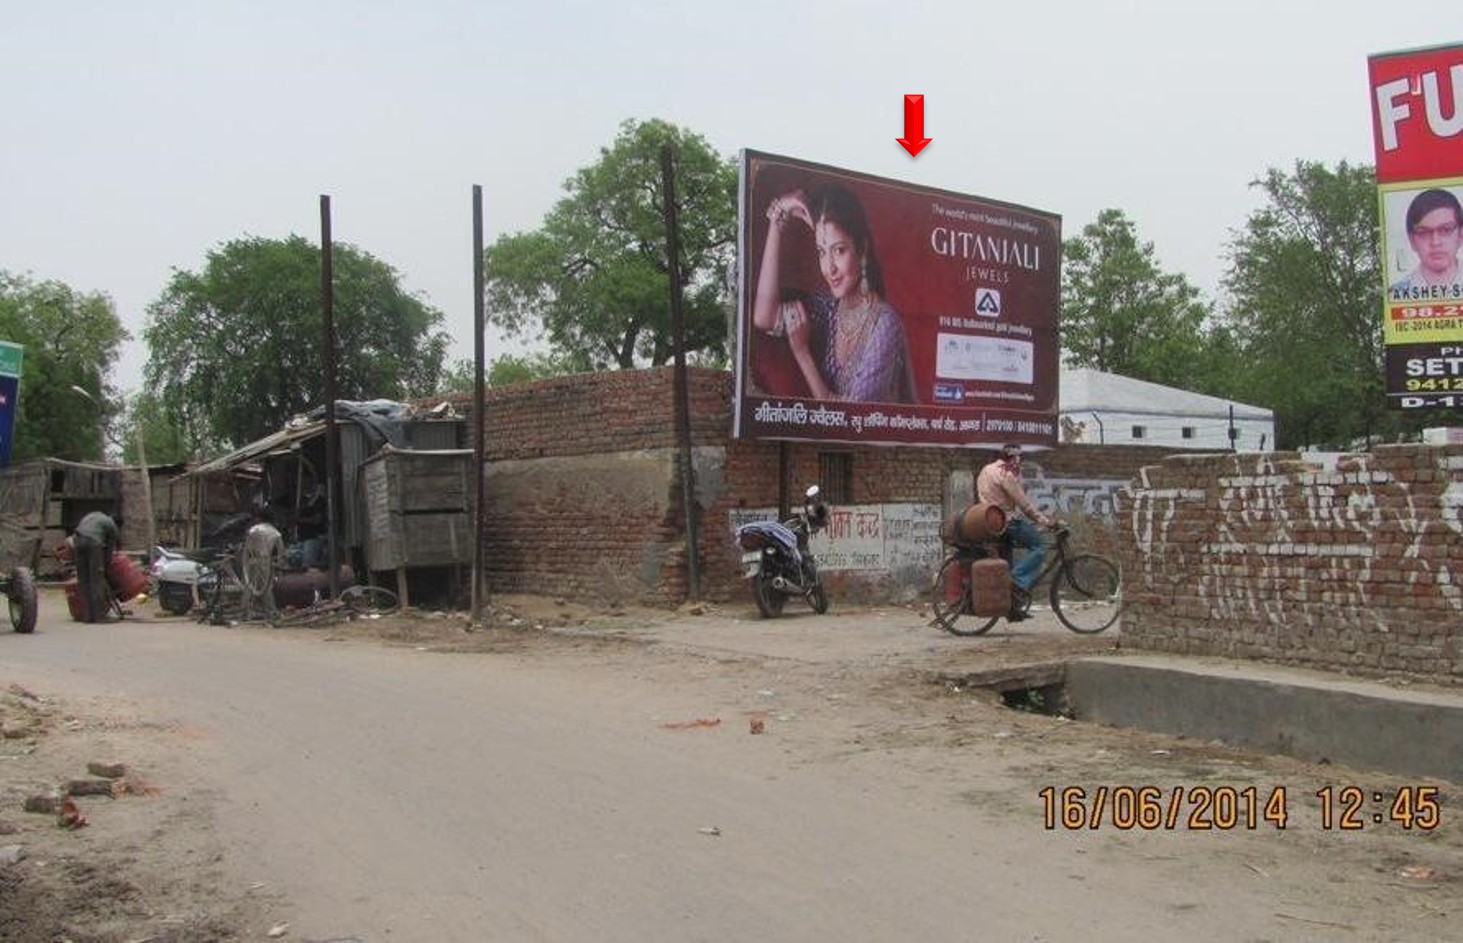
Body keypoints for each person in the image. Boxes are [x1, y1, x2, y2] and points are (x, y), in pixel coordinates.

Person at [752, 183, 917, 403]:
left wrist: (802, 353)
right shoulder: (829, 308)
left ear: (862, 248)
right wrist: (777, 220)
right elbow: (764, 317)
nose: (829, 269)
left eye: (839, 250)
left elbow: (851, 419)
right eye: (821, 252)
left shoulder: (884, 324)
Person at [975, 444, 1054, 621]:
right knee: (1039, 546)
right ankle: (1017, 580)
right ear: (1014, 458)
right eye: (1018, 458)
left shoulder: (985, 470)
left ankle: (1011, 606)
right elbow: (1024, 505)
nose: (1019, 462)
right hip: (1007, 522)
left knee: (1007, 561)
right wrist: (1043, 521)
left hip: (989, 522)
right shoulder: (1006, 474)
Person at [1390, 188, 1462, 301]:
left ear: (1461, 235)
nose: (1435, 242)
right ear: (1412, 240)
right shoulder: (1396, 294)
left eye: (1445, 230)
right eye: (1423, 232)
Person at [72, 510, 120, 623]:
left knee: (84, 580)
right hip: (93, 542)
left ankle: (87, 616)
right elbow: (110, 548)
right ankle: (99, 616)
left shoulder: (93, 515)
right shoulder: (111, 524)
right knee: (96, 580)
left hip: (77, 541)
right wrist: (105, 567)